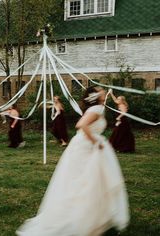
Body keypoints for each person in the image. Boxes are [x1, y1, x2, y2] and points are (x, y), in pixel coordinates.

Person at [16, 86, 129, 236]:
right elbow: (81, 125)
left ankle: (94, 215)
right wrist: (95, 142)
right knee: (86, 181)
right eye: (100, 89)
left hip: (85, 145)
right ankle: (83, 216)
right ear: (95, 95)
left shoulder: (99, 107)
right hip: (86, 146)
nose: (103, 91)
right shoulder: (97, 109)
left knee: (90, 180)